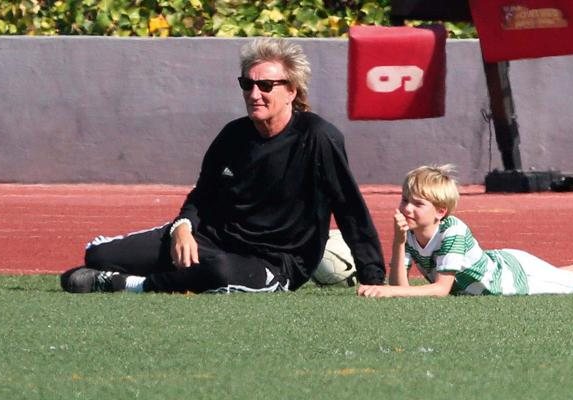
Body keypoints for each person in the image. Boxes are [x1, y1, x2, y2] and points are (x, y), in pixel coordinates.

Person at [61, 38, 385, 294]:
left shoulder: (318, 137)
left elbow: (349, 208)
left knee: (220, 273)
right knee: (99, 256)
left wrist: (372, 277)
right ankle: (171, 274)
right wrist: (183, 228)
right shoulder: (232, 135)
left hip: (274, 262)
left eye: (266, 86)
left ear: (292, 91)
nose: (255, 94)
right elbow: (201, 196)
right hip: (211, 242)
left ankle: (131, 286)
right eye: (247, 84)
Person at [357, 164, 573, 298]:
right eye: (405, 199)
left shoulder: (453, 231)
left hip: (512, 279)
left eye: (417, 203)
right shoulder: (413, 233)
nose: (406, 207)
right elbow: (399, 290)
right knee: (563, 276)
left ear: (441, 211)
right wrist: (399, 244)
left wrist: (388, 294)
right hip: (506, 265)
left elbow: (439, 291)